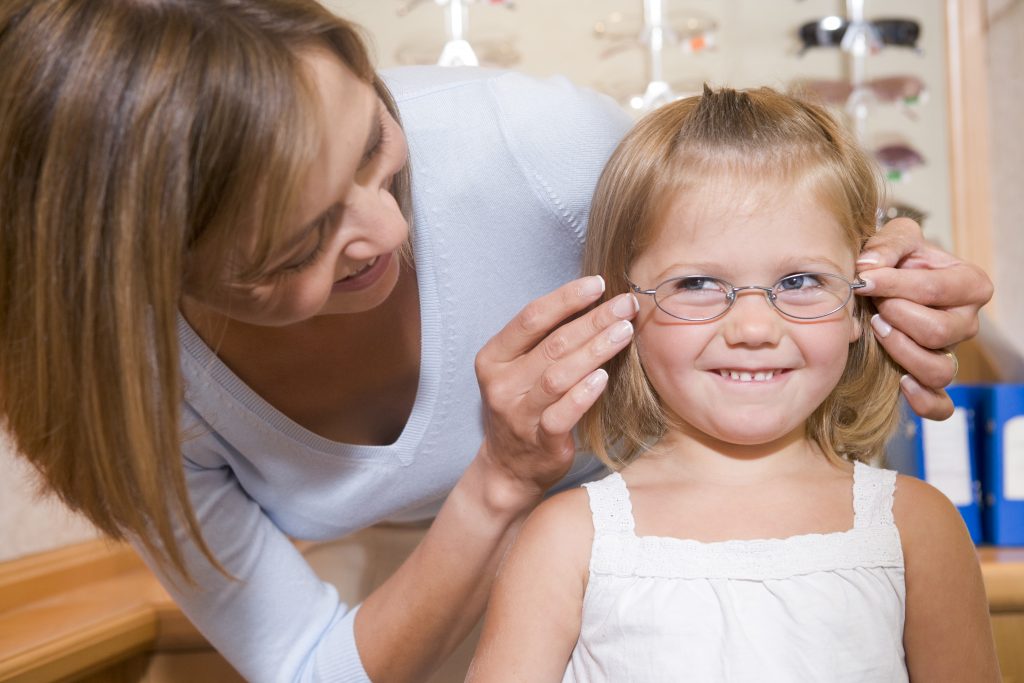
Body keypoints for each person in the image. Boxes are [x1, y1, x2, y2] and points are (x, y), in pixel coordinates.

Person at [0, 1, 992, 681]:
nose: (389, 231)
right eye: (299, 242)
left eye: (377, 152)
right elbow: (311, 662)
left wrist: (889, 268)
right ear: (140, 277)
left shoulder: (536, 147)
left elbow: (757, 224)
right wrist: (499, 484)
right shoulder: (123, 393)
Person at [468, 86, 1001, 682]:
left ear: (859, 305)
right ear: (622, 311)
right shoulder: (568, 540)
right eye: (696, 283)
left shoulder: (916, 528)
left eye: (800, 280)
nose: (753, 327)